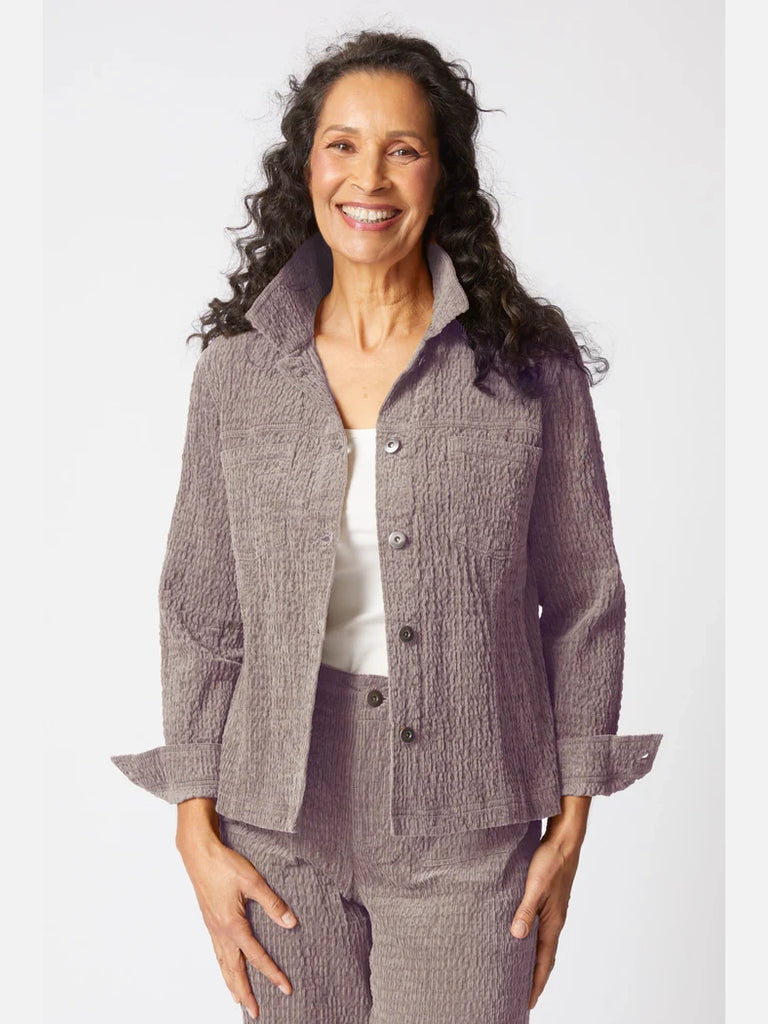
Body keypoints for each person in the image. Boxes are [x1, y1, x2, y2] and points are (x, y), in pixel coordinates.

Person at [110, 28, 663, 1023]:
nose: (369, 178)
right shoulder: (240, 371)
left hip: (472, 815)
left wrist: (572, 825)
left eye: (402, 149)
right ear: (307, 166)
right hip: (277, 823)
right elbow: (200, 609)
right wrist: (195, 829)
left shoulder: (524, 368)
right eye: (343, 145)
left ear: (442, 173)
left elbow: (585, 597)